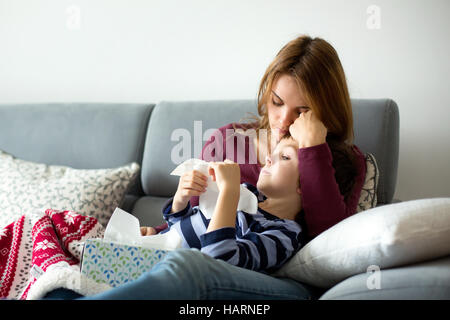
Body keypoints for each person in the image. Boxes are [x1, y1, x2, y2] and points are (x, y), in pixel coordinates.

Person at [44, 34, 367, 300]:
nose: (282, 121)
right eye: (277, 102)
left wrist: (313, 150)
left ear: (322, 110)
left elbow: (329, 242)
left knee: (187, 267)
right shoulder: (226, 140)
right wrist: (155, 234)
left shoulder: (341, 161)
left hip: (268, 276)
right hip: (189, 258)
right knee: (69, 252)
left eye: (302, 110)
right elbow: (197, 223)